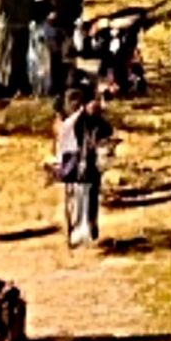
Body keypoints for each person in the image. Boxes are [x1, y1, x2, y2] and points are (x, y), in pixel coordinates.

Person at [53, 79, 115, 249]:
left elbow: (107, 131)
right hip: (74, 162)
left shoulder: (92, 118)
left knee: (89, 194)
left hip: (89, 164)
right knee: (75, 195)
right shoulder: (70, 121)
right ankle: (76, 229)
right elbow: (63, 136)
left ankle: (88, 227)